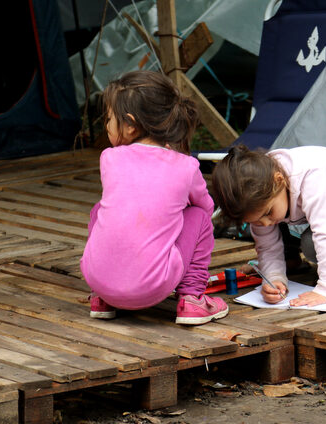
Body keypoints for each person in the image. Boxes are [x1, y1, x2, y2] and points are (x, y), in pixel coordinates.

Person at [80, 70, 228, 325]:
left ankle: (102, 298)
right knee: (198, 216)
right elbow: (206, 207)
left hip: (97, 278)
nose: (106, 125)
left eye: (109, 119)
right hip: (153, 286)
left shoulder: (109, 158)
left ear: (129, 124)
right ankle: (192, 299)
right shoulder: (185, 166)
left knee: (99, 210)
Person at [211, 144, 326, 307]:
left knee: (311, 244)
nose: (265, 223)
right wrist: (274, 279)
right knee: (276, 221)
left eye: (267, 212)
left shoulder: (311, 178)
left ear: (279, 180)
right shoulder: (262, 192)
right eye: (255, 221)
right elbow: (266, 245)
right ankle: (291, 260)